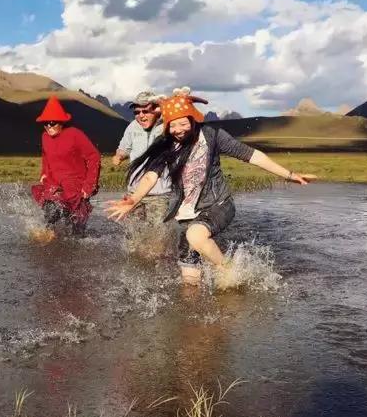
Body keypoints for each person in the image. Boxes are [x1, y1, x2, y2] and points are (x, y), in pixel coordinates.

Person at [106, 88, 317, 286]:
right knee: (189, 278)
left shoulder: (213, 136)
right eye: (172, 125)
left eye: (183, 124)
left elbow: (252, 155)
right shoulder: (167, 145)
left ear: (192, 118)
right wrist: (134, 199)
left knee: (195, 236)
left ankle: (229, 271)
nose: (178, 130)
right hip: (186, 214)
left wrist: (289, 175)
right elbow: (151, 176)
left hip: (218, 205)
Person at [31, 95, 101, 239]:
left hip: (76, 187)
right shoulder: (44, 136)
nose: (48, 126)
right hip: (54, 184)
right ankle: (49, 246)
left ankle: (77, 254)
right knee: (50, 215)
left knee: (77, 231)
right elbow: (45, 156)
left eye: (52, 123)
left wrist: (89, 186)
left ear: (61, 122)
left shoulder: (75, 134)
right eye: (45, 123)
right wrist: (44, 173)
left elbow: (94, 157)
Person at [111, 90, 172, 257]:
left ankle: (155, 267)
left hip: (159, 194)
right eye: (137, 112)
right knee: (132, 236)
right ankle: (135, 264)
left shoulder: (167, 126)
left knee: (157, 236)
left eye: (146, 111)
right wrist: (119, 156)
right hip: (133, 193)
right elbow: (124, 147)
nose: (141, 115)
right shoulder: (132, 126)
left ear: (157, 110)